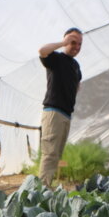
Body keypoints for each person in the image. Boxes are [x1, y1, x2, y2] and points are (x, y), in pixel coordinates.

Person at [38, 28, 83, 187]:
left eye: (79, 44)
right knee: (50, 154)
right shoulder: (56, 58)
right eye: (73, 42)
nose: (76, 46)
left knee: (56, 155)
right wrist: (63, 43)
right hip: (54, 112)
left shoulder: (76, 66)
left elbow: (77, 86)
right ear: (65, 41)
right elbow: (42, 50)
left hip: (66, 114)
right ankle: (40, 192)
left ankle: (46, 188)